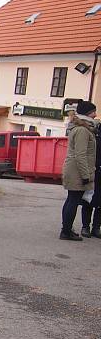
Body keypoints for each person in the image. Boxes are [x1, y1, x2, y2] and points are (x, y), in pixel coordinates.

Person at [59, 100, 97, 241]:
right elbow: (80, 154)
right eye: (94, 111)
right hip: (77, 171)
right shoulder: (82, 130)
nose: (96, 114)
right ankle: (66, 231)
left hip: (74, 169)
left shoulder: (81, 128)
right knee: (73, 200)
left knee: (72, 200)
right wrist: (86, 175)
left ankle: (66, 229)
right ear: (88, 113)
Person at [79, 102, 101, 238]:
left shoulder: (96, 128)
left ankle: (96, 227)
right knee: (88, 199)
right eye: (93, 112)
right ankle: (85, 227)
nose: (96, 114)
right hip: (93, 169)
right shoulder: (91, 130)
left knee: (100, 202)